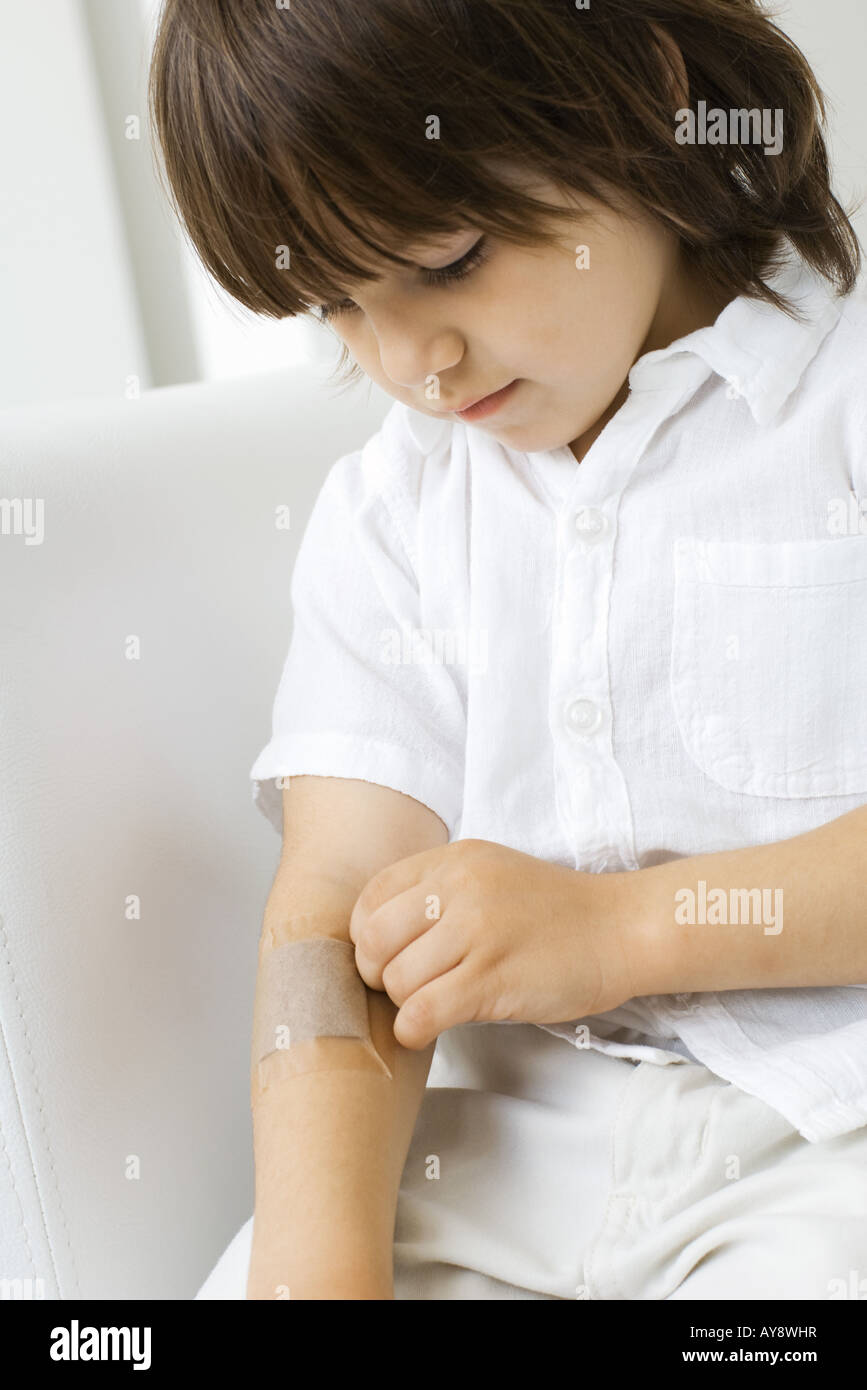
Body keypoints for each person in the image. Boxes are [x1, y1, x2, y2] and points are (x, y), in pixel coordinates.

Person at [149, 0, 867, 1300]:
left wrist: (624, 927)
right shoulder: (397, 515)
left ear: (642, 99)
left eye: (451, 257)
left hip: (826, 1133)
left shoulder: (841, 409)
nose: (412, 364)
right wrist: (317, 1268)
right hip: (515, 1162)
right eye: (337, 309)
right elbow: (330, 919)